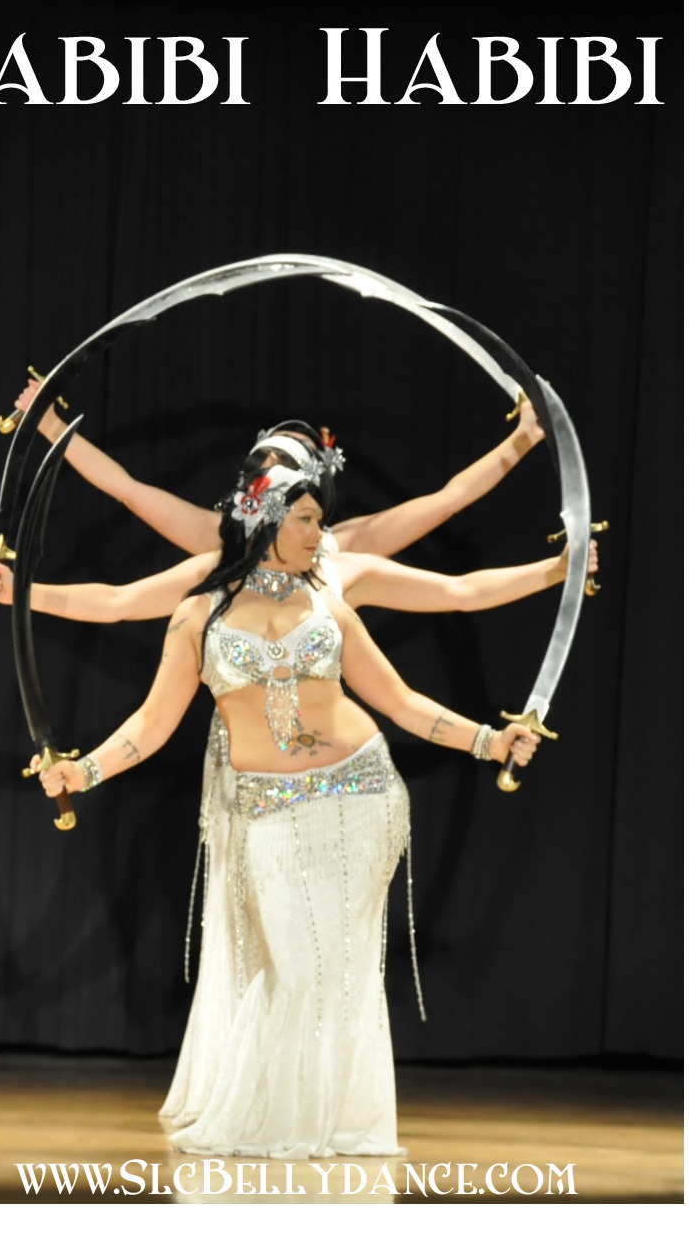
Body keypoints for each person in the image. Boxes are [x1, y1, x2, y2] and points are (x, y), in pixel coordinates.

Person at [30, 454, 541, 1159]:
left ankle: (323, 1123)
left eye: (318, 518)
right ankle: (277, 1116)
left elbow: (400, 702)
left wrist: (489, 740)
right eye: (304, 518)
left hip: (362, 794)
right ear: (266, 522)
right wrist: (81, 772)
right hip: (266, 808)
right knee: (294, 964)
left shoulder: (327, 605)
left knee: (339, 965)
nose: (318, 532)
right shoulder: (199, 615)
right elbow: (150, 725)